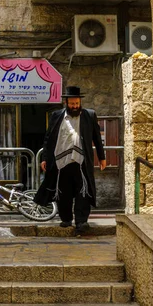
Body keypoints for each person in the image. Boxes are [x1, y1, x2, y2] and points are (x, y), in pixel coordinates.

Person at [34, 85, 106, 234]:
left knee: (83, 191)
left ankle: (81, 221)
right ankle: (66, 219)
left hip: (81, 161)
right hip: (62, 162)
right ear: (66, 103)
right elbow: (48, 139)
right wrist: (45, 158)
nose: (74, 106)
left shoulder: (89, 115)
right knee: (63, 192)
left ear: (80, 103)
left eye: (77, 104)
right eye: (72, 104)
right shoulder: (56, 116)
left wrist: (102, 157)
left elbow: (97, 138)